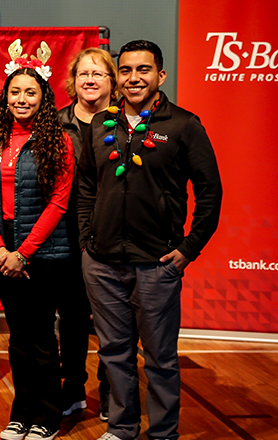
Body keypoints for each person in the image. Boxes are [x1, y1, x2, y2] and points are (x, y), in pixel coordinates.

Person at [77, 40, 222, 440]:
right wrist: (87, 240)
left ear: (160, 75)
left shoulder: (183, 125)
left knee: (159, 358)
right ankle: (122, 428)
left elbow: (210, 192)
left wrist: (188, 249)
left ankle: (162, 434)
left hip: (158, 265)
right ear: (116, 76)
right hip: (102, 263)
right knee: (114, 354)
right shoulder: (99, 125)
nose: (133, 78)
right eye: (125, 70)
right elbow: (86, 186)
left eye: (143, 70)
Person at [0, 68, 73, 440]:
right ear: (6, 97)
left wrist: (24, 253)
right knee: (18, 337)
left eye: (30, 92)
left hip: (43, 256)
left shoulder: (58, 141)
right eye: (15, 92)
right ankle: (22, 412)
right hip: (4, 254)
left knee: (42, 338)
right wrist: (0, 249)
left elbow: (59, 203)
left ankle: (47, 416)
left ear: (43, 98)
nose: (21, 99)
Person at [57, 47, 116, 422]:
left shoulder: (127, 123)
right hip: (65, 237)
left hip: (113, 235)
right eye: (83, 74)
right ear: (72, 81)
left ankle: (113, 392)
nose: (90, 80)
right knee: (73, 318)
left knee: (113, 322)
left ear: (112, 81)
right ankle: (73, 390)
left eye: (98, 73)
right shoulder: (57, 122)